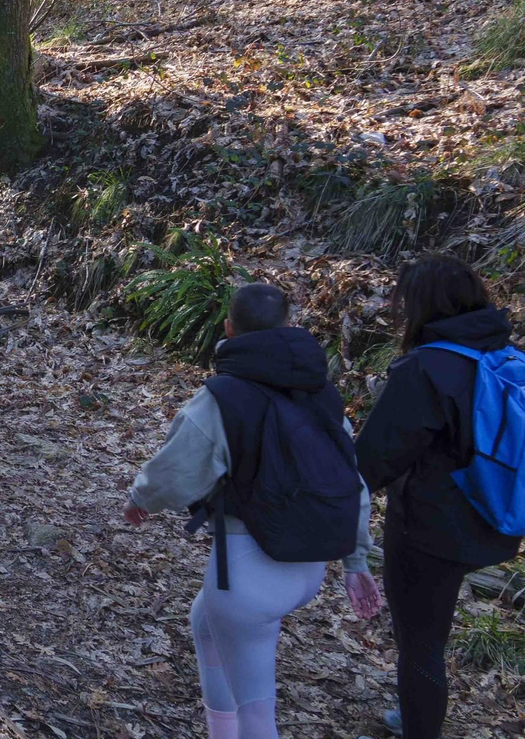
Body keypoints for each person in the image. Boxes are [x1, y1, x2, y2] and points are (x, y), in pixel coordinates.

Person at [125, 283, 380, 739]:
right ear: (289, 325)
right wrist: (355, 560)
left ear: (228, 328)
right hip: (306, 567)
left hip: (247, 574)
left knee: (258, 711)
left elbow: (175, 471)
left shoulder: (223, 397)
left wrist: (140, 500)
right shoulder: (321, 393)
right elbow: (350, 479)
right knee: (205, 623)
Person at [354, 256, 521, 739]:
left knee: (420, 644)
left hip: (430, 530)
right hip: (495, 518)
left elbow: (375, 460)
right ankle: (417, 717)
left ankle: (418, 728)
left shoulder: (426, 368)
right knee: (431, 637)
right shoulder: (507, 357)